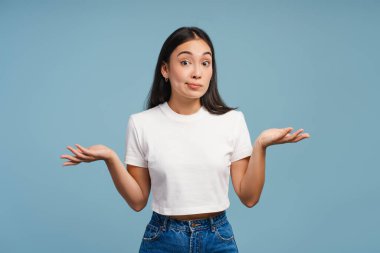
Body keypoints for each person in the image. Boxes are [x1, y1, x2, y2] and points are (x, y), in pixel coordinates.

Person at [60, 26, 310, 252]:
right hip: (163, 238)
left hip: (217, 238)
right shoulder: (141, 123)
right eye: (186, 62)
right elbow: (137, 201)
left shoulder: (232, 120)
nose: (197, 72)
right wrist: (110, 158)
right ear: (165, 69)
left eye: (205, 63)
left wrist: (261, 146)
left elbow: (249, 196)